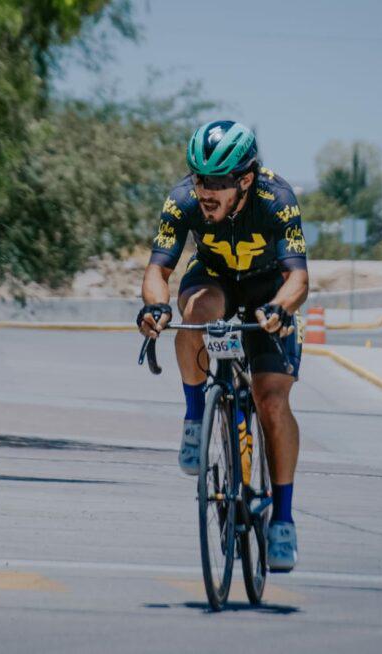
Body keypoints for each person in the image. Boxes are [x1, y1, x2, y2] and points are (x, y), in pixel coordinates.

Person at [137, 120, 308, 572]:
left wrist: (281, 309)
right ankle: (196, 416)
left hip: (267, 289)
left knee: (270, 400)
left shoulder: (277, 199)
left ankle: (283, 519)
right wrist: (155, 307)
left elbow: (299, 278)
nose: (205, 191)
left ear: (245, 180)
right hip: (214, 280)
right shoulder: (183, 201)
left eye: (216, 182)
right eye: (198, 178)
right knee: (193, 313)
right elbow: (158, 270)